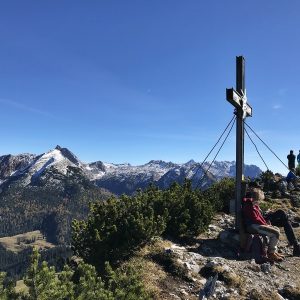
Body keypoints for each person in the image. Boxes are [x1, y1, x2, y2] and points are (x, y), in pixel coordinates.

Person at [242, 189, 283, 262]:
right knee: (275, 233)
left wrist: (266, 224)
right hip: (252, 226)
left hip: (256, 225)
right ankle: (271, 253)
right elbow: (255, 219)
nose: (260, 201)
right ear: (256, 198)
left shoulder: (255, 205)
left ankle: (274, 251)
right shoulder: (248, 206)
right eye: (259, 199)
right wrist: (266, 225)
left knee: (277, 229)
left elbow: (260, 217)